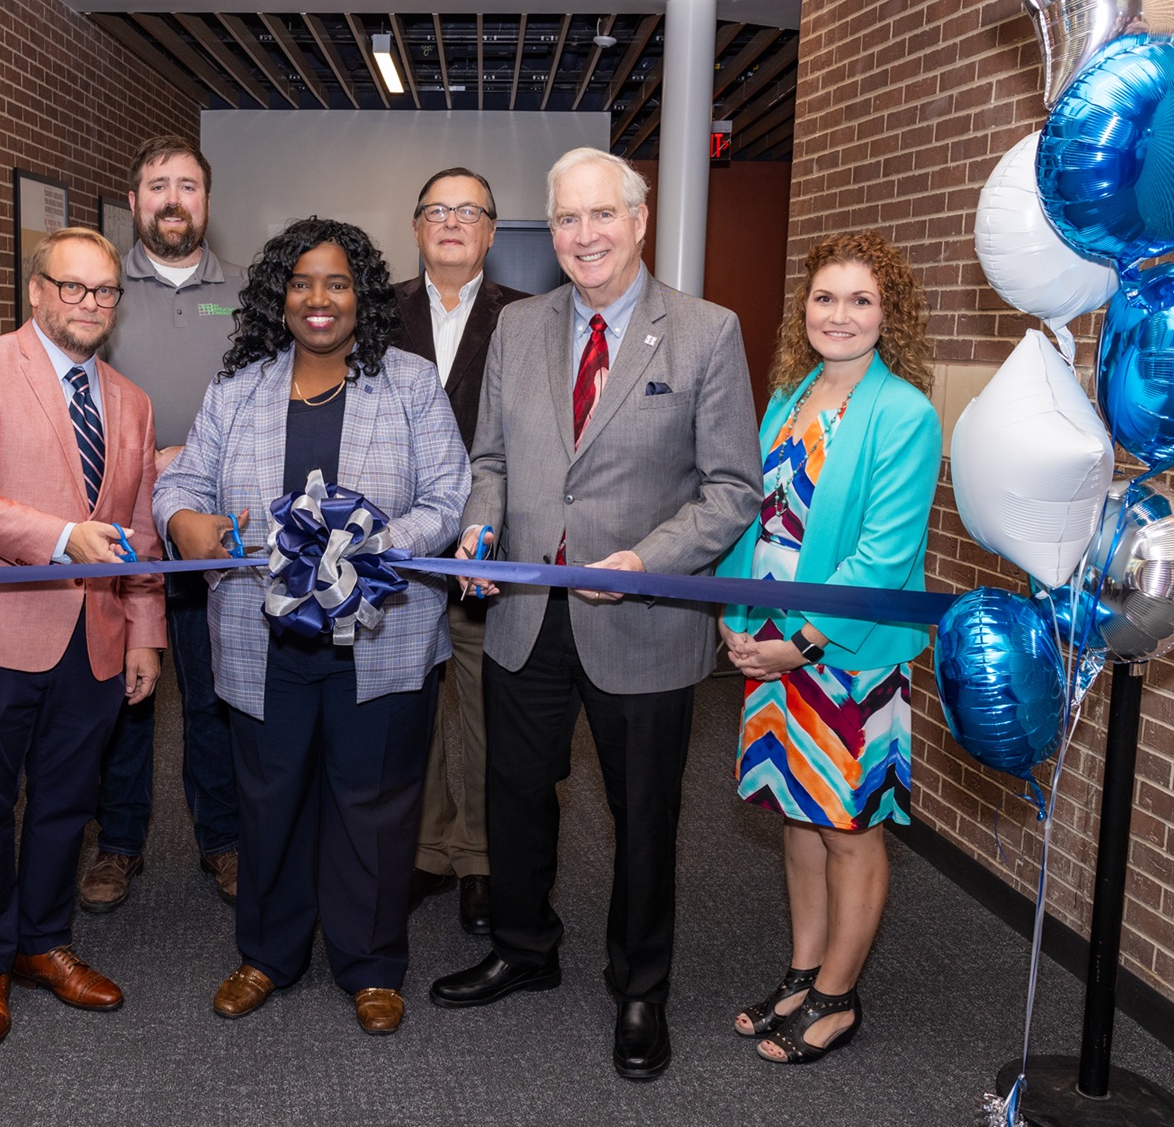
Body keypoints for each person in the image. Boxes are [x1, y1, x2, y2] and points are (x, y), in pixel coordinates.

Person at [428, 147, 762, 1082]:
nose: (583, 236)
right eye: (567, 220)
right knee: (516, 799)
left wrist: (647, 560)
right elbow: (488, 461)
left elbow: (732, 490)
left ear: (640, 220)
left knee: (644, 814)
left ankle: (639, 985)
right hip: (527, 614)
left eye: (600, 216)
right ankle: (525, 951)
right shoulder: (521, 327)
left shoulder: (705, 332)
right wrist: (481, 532)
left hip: (644, 623)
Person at [154, 217, 469, 1036]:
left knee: (375, 804)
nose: (318, 299)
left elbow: (445, 499)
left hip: (382, 633)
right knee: (271, 798)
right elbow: (181, 485)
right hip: (266, 642)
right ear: (278, 296)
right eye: (301, 283)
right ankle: (267, 954)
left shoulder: (409, 383)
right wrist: (184, 521)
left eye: (336, 282)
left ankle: (370, 966)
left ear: (361, 294)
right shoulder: (239, 388)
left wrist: (369, 545)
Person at [0, 227, 165, 1049]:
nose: (90, 304)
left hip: (95, 635)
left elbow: (140, 535)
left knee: (65, 805)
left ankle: (43, 944)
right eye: (74, 288)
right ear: (38, 291)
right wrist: (62, 538)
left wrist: (146, 637)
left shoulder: (131, 400)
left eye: (105, 292)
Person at [716, 230, 940, 1064]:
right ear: (802, 308)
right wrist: (734, 618)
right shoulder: (790, 396)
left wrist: (801, 646)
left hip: (847, 657)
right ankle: (803, 971)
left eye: (860, 300)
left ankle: (840, 997)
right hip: (771, 649)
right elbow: (755, 518)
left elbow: (882, 556)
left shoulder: (905, 414)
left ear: (890, 316)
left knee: (850, 826)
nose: (838, 315)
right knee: (797, 815)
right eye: (824, 297)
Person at [83, 135, 247, 912]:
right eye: (157, 185)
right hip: (119, 527)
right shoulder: (101, 288)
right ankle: (118, 844)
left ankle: (224, 839)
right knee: (124, 691)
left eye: (187, 184)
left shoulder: (248, 293)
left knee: (217, 690)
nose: (172, 198)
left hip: (215, 529)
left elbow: (268, 402)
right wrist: (150, 456)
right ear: (135, 199)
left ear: (207, 201)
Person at [392, 166, 529, 935]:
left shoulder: (526, 318)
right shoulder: (375, 313)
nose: (451, 222)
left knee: (479, 707)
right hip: (396, 551)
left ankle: (477, 859)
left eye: (468, 211)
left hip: (486, 545)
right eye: (436, 210)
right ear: (416, 228)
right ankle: (423, 850)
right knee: (411, 701)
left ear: (490, 234)